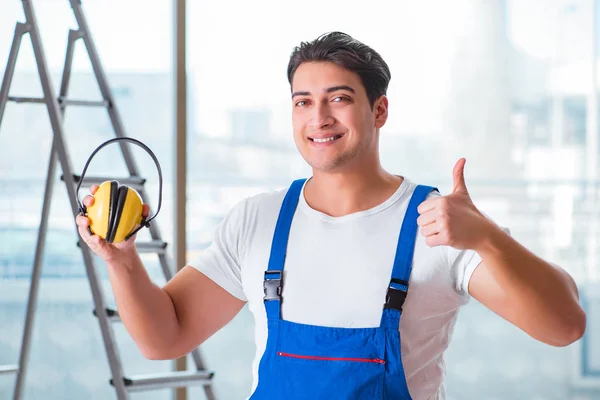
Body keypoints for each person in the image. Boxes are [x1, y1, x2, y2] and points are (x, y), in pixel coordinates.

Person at [75, 32, 586, 399]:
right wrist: (121, 261)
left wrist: (488, 239)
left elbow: (564, 325)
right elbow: (164, 337)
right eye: (303, 102)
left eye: (339, 99)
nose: (319, 118)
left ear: (378, 111)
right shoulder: (258, 220)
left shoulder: (440, 223)